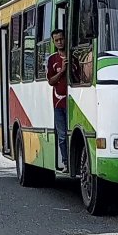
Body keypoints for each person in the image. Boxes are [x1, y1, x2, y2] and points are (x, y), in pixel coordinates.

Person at [47, 29, 69, 172]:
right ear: (54, 42)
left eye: (61, 39)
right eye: (57, 40)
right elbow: (51, 81)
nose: (60, 42)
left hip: (74, 103)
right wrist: (62, 71)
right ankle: (66, 163)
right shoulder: (52, 59)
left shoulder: (74, 56)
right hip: (58, 103)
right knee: (62, 135)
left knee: (72, 134)